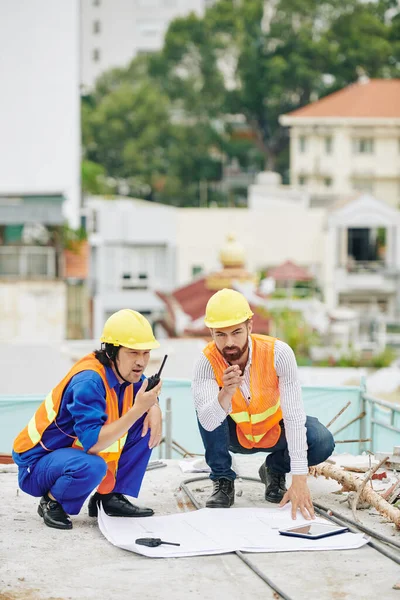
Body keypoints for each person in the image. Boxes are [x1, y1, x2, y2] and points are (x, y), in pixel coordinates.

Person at [12, 309, 163, 530]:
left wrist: (155, 407)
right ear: (112, 352)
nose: (141, 361)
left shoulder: (127, 374)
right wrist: (138, 409)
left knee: (145, 423)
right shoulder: (89, 382)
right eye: (133, 353)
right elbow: (93, 444)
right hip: (36, 466)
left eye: (146, 352)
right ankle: (52, 502)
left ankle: (110, 497)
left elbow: (146, 387)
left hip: (68, 455)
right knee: (93, 465)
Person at [192, 289, 335, 520]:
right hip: (234, 436)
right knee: (207, 407)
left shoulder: (278, 353)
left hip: (273, 432)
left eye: (236, 332)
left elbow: (294, 415)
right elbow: (208, 421)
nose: (229, 343)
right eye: (220, 335)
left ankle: (274, 469)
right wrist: (225, 393)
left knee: (322, 440)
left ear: (250, 326)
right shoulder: (206, 362)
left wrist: (299, 480)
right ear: (211, 333)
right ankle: (222, 479)